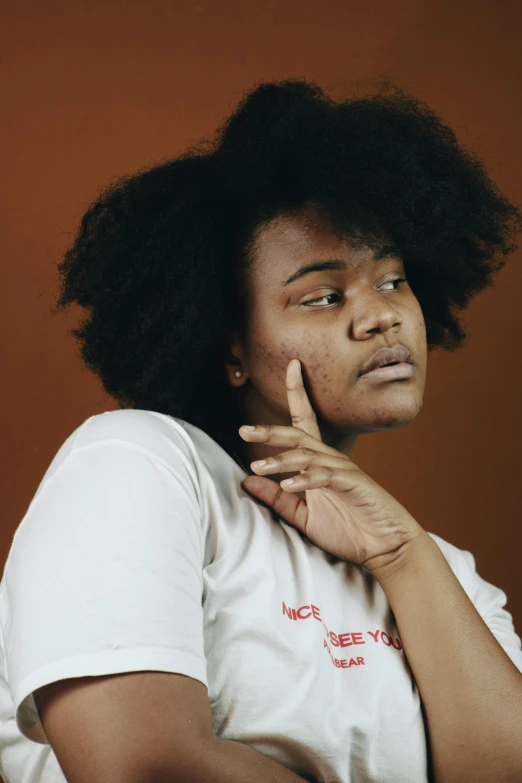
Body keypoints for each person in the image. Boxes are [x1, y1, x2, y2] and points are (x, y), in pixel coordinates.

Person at [1, 77, 521, 783]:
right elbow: (142, 765)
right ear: (232, 348)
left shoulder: (444, 572)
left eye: (394, 281)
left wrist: (402, 554)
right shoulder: (141, 463)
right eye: (324, 295)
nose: (382, 316)